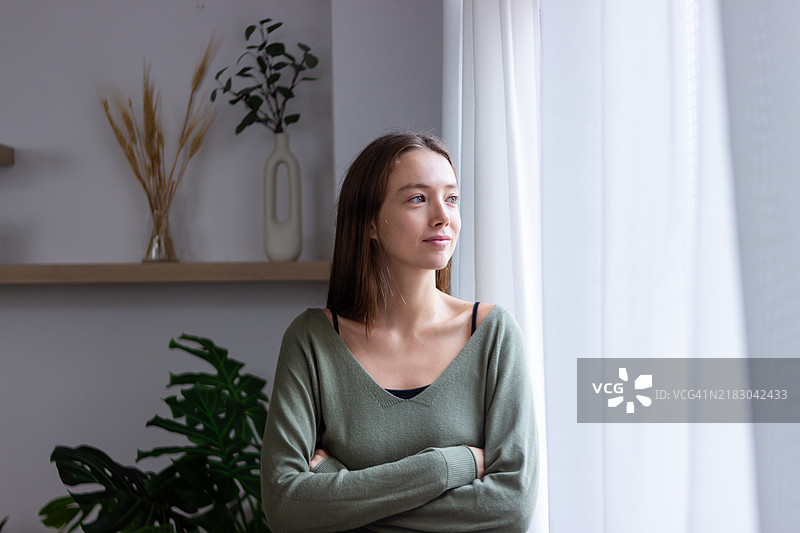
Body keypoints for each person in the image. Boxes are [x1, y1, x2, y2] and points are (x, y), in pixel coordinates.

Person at [260, 132, 538, 532]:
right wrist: (447, 465)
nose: (443, 215)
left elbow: (512, 509)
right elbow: (286, 507)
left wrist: (338, 482)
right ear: (370, 222)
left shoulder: (494, 336)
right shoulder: (312, 341)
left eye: (452, 198)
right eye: (418, 198)